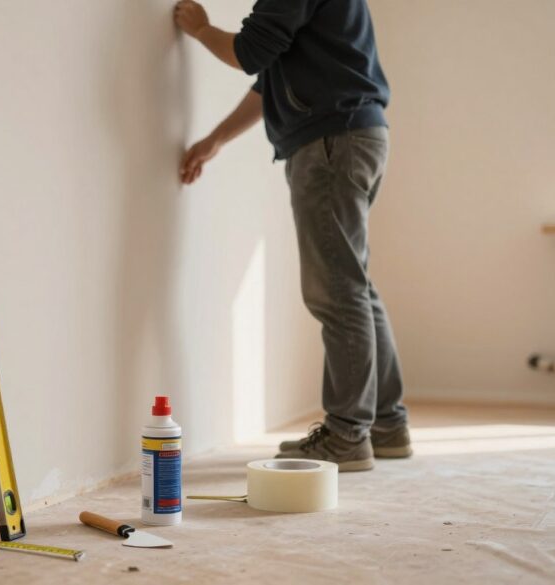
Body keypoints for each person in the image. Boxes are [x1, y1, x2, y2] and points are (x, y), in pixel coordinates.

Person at [174, 0, 410, 471]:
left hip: (331, 142)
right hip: (356, 134)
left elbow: (249, 53)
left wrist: (200, 29)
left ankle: (347, 434)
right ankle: (386, 424)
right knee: (352, 284)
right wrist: (215, 140)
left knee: (338, 291)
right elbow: (271, 81)